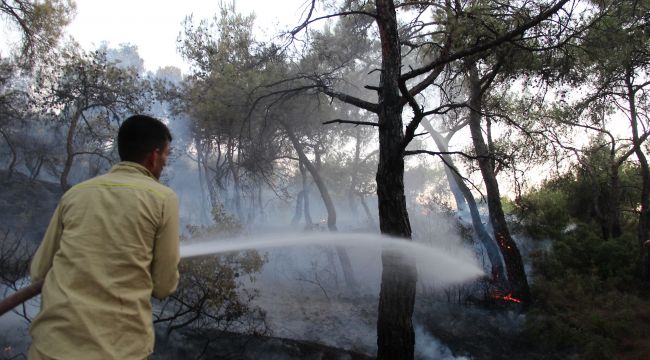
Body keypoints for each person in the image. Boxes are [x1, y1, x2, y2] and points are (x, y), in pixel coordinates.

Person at [28, 115, 180, 360]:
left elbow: (39, 271)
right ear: (153, 156)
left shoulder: (76, 194)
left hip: (51, 346)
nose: (165, 162)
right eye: (166, 155)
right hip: (117, 350)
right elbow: (163, 286)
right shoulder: (163, 199)